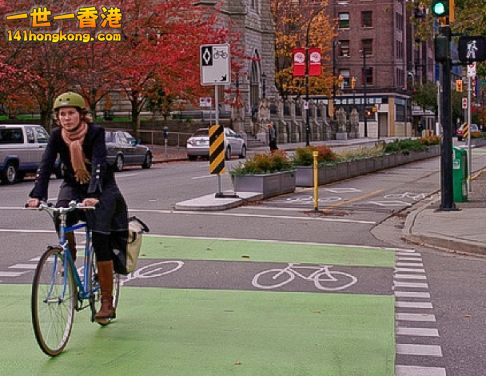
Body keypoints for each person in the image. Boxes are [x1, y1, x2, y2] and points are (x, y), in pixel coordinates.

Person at [26, 91, 128, 325]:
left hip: (101, 187)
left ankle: (106, 301)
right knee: (60, 214)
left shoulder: (95, 133)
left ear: (81, 115)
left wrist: (93, 195)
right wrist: (37, 195)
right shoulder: (56, 136)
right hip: (73, 184)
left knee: (101, 237)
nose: (66, 118)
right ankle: (68, 255)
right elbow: (46, 164)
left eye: (71, 113)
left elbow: (100, 164)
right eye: (62, 114)